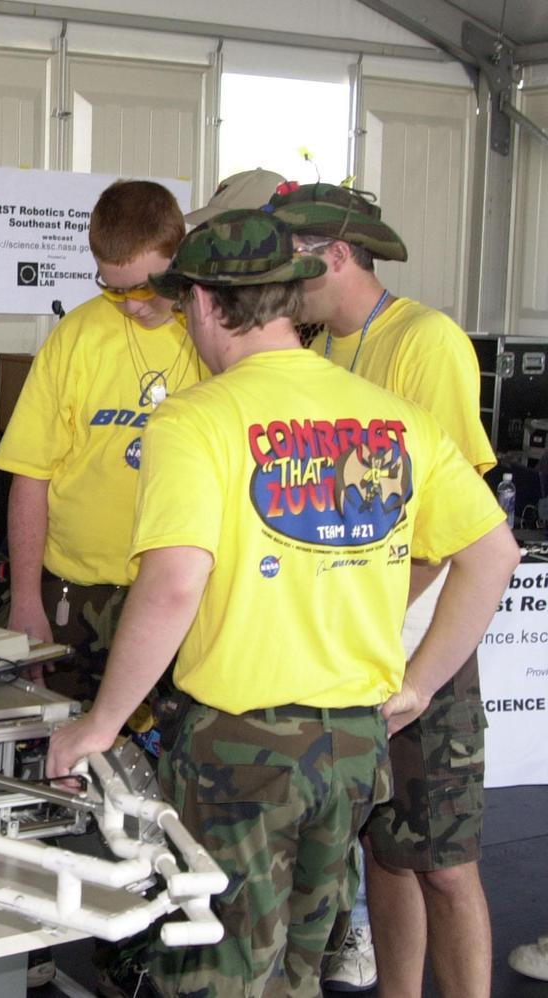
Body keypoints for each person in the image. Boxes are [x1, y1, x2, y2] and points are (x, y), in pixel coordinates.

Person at [46, 208, 519, 997]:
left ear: (201, 303)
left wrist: (100, 722)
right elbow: (493, 553)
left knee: (218, 972)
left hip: (242, 754)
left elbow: (171, 585)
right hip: (354, 752)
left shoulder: (198, 419)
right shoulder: (389, 418)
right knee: (301, 971)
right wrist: (421, 683)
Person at [269, 182, 498, 997]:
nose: (274, 275)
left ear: (334, 254)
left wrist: (373, 621)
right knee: (384, 850)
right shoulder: (316, 350)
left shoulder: (425, 341)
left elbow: (453, 528)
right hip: (352, 643)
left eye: (288, 256)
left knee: (444, 862)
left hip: (418, 638)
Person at [0, 180, 202, 693]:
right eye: (114, 288)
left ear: (179, 258)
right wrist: (25, 600)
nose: (131, 304)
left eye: (147, 287)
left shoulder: (213, 334)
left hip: (182, 593)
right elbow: (31, 474)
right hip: (77, 594)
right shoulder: (77, 337)